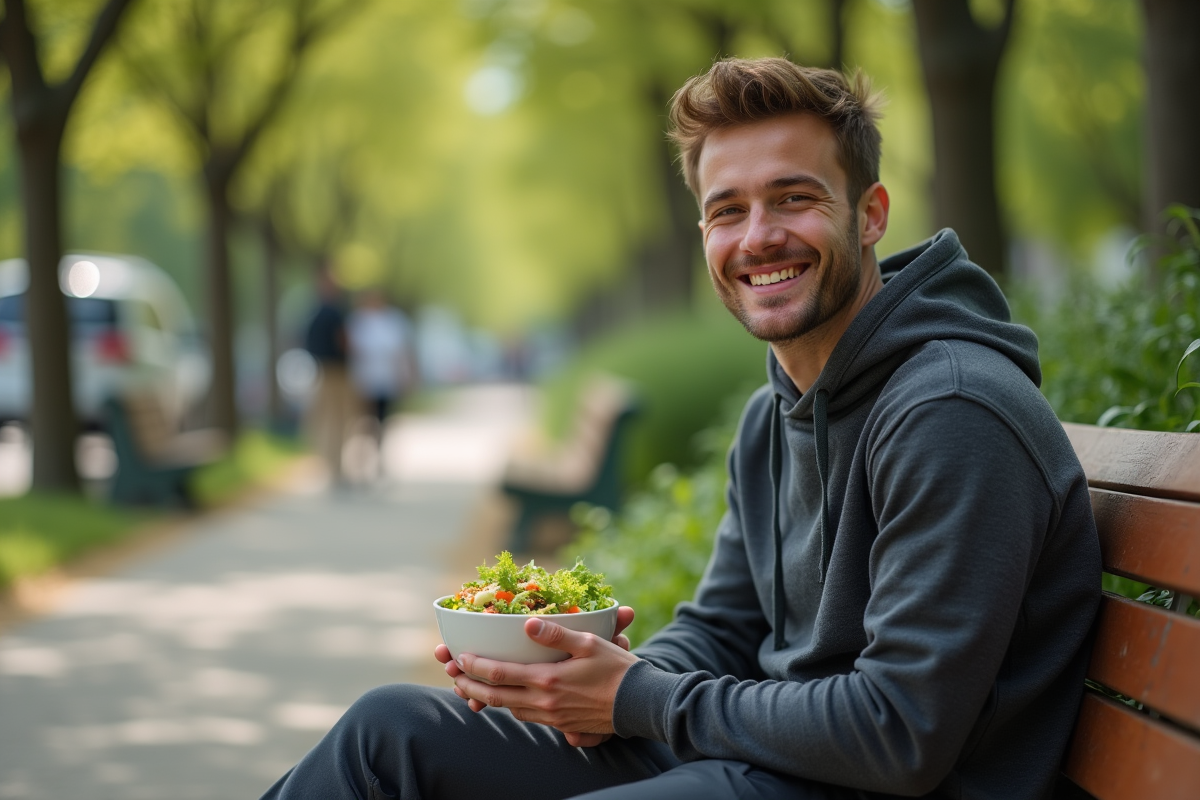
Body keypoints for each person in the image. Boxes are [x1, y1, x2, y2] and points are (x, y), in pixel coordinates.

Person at [261, 58, 1100, 799]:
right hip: (779, 762)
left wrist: (639, 699)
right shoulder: (775, 411)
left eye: (795, 199)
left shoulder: (951, 412)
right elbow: (727, 626)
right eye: (726, 210)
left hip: (883, 783)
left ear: (871, 214)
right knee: (390, 733)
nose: (758, 236)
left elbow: (901, 731)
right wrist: (586, 682)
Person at [303, 268, 357, 488]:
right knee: (339, 420)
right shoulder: (336, 312)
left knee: (324, 420)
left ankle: (329, 463)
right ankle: (335, 466)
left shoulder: (312, 312)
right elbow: (344, 341)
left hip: (320, 371)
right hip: (336, 372)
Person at [346, 288, 416, 443]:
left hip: (387, 376)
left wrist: (407, 374)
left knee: (383, 413)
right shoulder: (359, 320)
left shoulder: (394, 320)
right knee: (366, 414)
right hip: (365, 377)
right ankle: (369, 440)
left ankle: (379, 441)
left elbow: (404, 349)